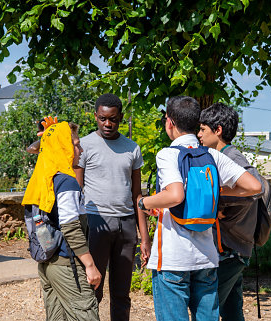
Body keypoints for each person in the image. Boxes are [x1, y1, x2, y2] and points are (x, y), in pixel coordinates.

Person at [137, 96, 261, 321]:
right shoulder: (212, 155)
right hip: (206, 257)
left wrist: (144, 203)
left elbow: (175, 195)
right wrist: (218, 191)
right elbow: (254, 186)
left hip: (173, 259)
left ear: (170, 122)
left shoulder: (168, 154)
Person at [74, 93, 151, 321]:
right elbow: (77, 193)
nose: (108, 124)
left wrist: (144, 238)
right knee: (92, 290)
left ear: (120, 118)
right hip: (96, 222)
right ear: (95, 116)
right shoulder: (84, 146)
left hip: (126, 225)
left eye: (113, 119)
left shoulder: (132, 148)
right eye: (102, 118)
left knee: (121, 293)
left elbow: (137, 195)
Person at [22, 121, 101, 321]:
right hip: (66, 265)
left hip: (47, 263)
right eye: (75, 144)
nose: (80, 150)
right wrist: (90, 265)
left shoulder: (44, 178)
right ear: (63, 146)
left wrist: (49, 133)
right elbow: (71, 227)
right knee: (86, 313)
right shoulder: (67, 182)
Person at [199, 102, 261, 321]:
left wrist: (216, 206)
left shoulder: (231, 159)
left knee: (207, 307)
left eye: (203, 129)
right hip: (235, 247)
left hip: (230, 248)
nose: (199, 135)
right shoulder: (227, 156)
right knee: (232, 311)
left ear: (218, 130)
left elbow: (253, 191)